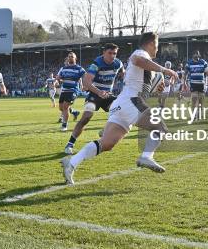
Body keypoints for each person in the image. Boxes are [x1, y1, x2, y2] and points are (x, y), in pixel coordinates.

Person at [61, 32, 178, 185]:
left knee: (106, 144)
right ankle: (146, 157)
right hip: (132, 100)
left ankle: (71, 163)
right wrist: (164, 70)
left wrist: (155, 88)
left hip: (121, 103)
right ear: (150, 44)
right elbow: (137, 60)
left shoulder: (148, 64)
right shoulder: (141, 54)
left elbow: (141, 84)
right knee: (161, 128)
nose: (157, 49)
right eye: (156, 45)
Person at [64, 43, 123, 154]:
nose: (112, 56)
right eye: (109, 53)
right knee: (86, 117)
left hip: (108, 95)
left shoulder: (118, 63)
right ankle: (70, 144)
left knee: (120, 111)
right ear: (103, 53)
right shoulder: (96, 64)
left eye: (114, 53)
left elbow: (123, 73)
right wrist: (99, 92)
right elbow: (86, 81)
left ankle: (105, 130)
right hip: (94, 94)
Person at [56, 52, 86, 132]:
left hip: (73, 90)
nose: (70, 58)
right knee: (61, 108)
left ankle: (64, 125)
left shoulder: (79, 68)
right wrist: (58, 80)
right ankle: (74, 112)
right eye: (69, 57)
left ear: (75, 58)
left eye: (72, 57)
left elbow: (85, 76)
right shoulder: (64, 68)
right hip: (64, 90)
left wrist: (84, 85)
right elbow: (59, 77)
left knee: (65, 107)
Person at [184, 51, 208, 120]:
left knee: (200, 101)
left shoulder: (203, 62)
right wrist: (184, 82)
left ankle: (199, 114)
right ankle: (193, 115)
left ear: (199, 55)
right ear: (193, 55)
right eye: (195, 53)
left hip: (202, 84)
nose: (196, 55)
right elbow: (185, 73)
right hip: (193, 84)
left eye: (197, 53)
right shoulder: (189, 63)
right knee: (194, 99)